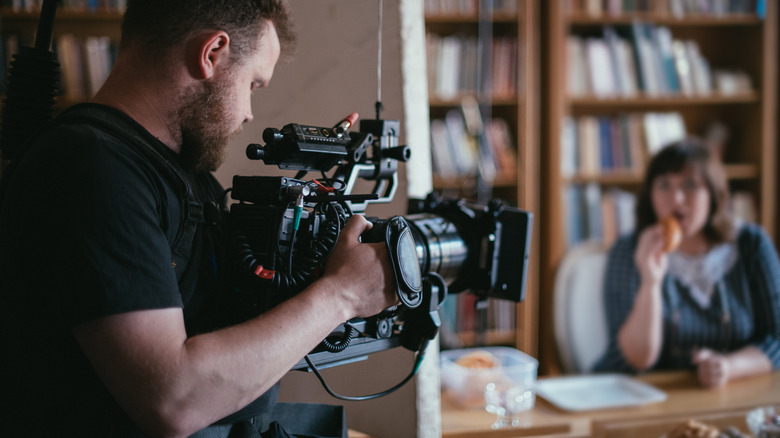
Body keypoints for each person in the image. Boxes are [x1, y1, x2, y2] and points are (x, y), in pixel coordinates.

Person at [0, 1, 398, 437]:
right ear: (212, 53)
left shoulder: (189, 179)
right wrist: (340, 296)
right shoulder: (91, 168)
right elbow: (174, 400)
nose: (249, 112)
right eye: (253, 84)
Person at [593, 137, 780, 388]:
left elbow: (775, 338)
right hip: (640, 396)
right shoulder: (628, 251)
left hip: (732, 394)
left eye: (690, 184)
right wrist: (651, 280)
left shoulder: (751, 245)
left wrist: (728, 367)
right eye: (664, 185)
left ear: (713, 193)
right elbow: (637, 358)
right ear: (650, 194)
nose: (677, 198)